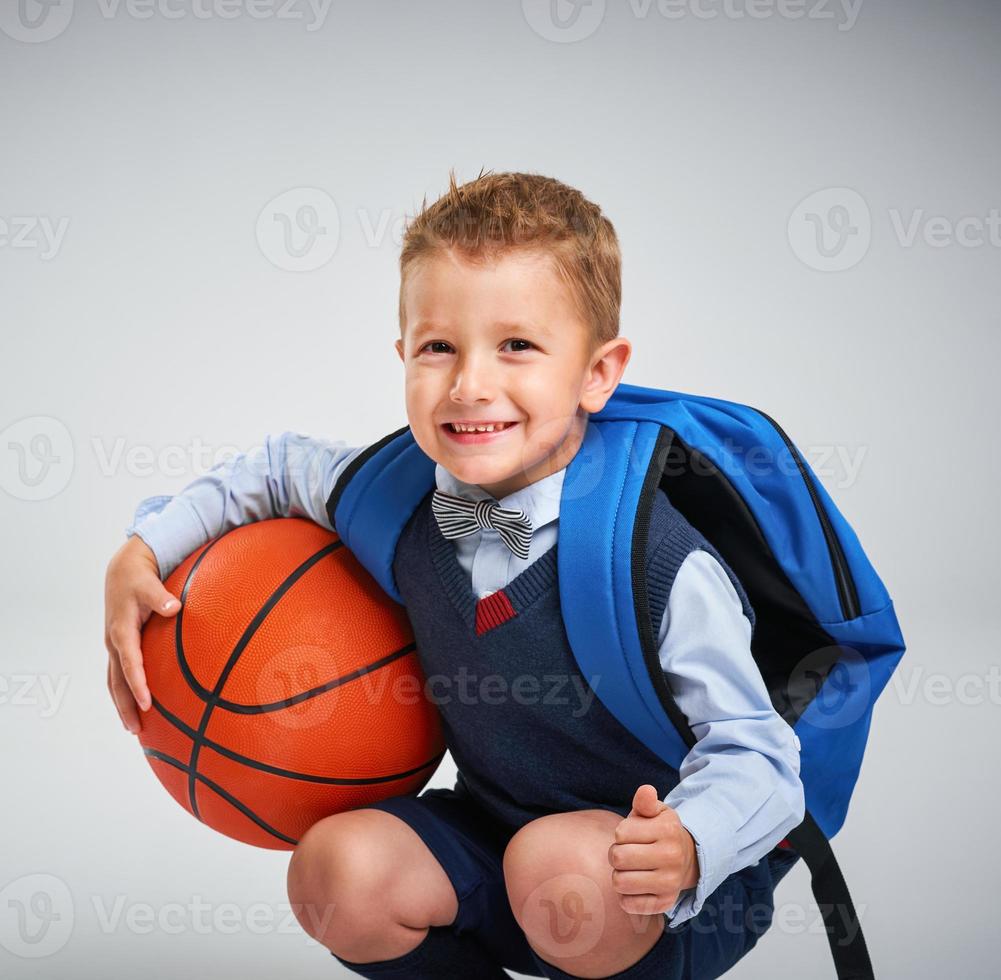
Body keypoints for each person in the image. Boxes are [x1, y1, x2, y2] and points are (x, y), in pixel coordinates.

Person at [103, 170, 804, 979]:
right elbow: (275, 467)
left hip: (650, 893)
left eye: (517, 346)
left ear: (597, 373)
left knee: (556, 870)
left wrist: (688, 843)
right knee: (336, 874)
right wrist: (142, 551)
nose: (470, 383)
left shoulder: (654, 564)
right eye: (438, 346)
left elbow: (760, 756)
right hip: (492, 839)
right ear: (403, 354)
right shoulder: (398, 497)